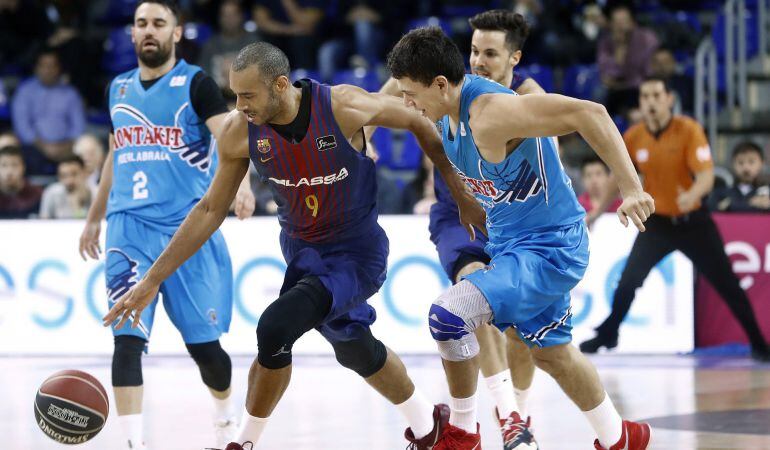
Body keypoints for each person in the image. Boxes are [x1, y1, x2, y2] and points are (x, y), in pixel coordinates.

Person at [102, 40, 485, 450]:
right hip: (303, 255)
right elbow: (211, 209)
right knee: (354, 348)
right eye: (234, 94)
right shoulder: (238, 131)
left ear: (280, 85)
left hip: (357, 254)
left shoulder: (341, 105)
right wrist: (152, 280)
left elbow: (418, 122)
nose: (239, 104)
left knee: (274, 329)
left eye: (247, 95)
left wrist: (460, 192)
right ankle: (430, 426)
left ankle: (242, 443)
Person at [387, 27, 655, 450]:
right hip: (510, 245)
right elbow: (399, 110)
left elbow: (592, 113)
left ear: (440, 84)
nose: (406, 103)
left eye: (410, 93)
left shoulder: (492, 111)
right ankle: (620, 436)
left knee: (449, 315)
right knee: (554, 354)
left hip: (550, 248)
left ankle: (461, 433)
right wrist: (467, 202)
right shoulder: (443, 110)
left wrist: (632, 188)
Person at [78, 1, 256, 448]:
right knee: (126, 341)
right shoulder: (117, 88)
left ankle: (223, 421)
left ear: (176, 33)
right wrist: (94, 217)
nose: (149, 31)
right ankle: (133, 443)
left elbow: (231, 138)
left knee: (206, 351)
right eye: (141, 24)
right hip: (128, 230)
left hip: (185, 232)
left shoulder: (194, 83)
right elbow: (118, 156)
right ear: (132, 34)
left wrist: (242, 184)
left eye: (159, 23)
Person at [372, 10, 545, 449]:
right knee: (475, 292)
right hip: (458, 213)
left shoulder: (526, 96)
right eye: (473, 51)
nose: (478, 60)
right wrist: (366, 133)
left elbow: (554, 150)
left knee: (521, 333)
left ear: (514, 58)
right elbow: (391, 88)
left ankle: (518, 414)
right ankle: (506, 416)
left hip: (511, 218)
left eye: (490, 53)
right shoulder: (446, 84)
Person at [579, 78, 770, 362]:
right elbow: (615, 179)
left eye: (657, 95)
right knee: (628, 281)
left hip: (694, 222)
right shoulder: (634, 137)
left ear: (669, 99)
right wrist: (596, 213)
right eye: (645, 97)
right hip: (658, 224)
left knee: (728, 284)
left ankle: (758, 343)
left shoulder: (688, 130)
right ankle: (609, 333)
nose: (651, 102)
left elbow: (707, 176)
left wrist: (691, 193)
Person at [11, 48, 86, 169]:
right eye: (44, 65)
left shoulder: (71, 93)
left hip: (67, 148)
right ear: (36, 68)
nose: (48, 70)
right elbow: (22, 126)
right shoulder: (25, 91)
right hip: (34, 148)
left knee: (85, 148)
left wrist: (65, 147)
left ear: (59, 68)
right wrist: (44, 146)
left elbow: (78, 127)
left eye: (52, 66)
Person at [597, 5, 658, 118]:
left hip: (642, 89)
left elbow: (646, 71)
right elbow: (609, 76)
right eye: (616, 22)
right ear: (610, 24)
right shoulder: (606, 43)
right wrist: (620, 48)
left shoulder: (646, 39)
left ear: (633, 22)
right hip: (616, 93)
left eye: (624, 21)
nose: (621, 26)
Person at [198, 0, 259, 90]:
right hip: (218, 98)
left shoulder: (254, 43)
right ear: (219, 18)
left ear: (241, 16)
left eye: (233, 15)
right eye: (225, 15)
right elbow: (203, 78)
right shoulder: (210, 45)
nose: (229, 20)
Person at [709, 141, 770, 212]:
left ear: (762, 163)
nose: (746, 168)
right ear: (733, 164)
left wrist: (730, 205)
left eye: (751, 162)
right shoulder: (721, 193)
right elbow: (712, 209)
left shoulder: (767, 194)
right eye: (740, 163)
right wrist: (751, 204)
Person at [0, 145, 42, 219]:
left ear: (23, 167)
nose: (9, 172)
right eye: (4, 165)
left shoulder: (37, 195)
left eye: (14, 165)